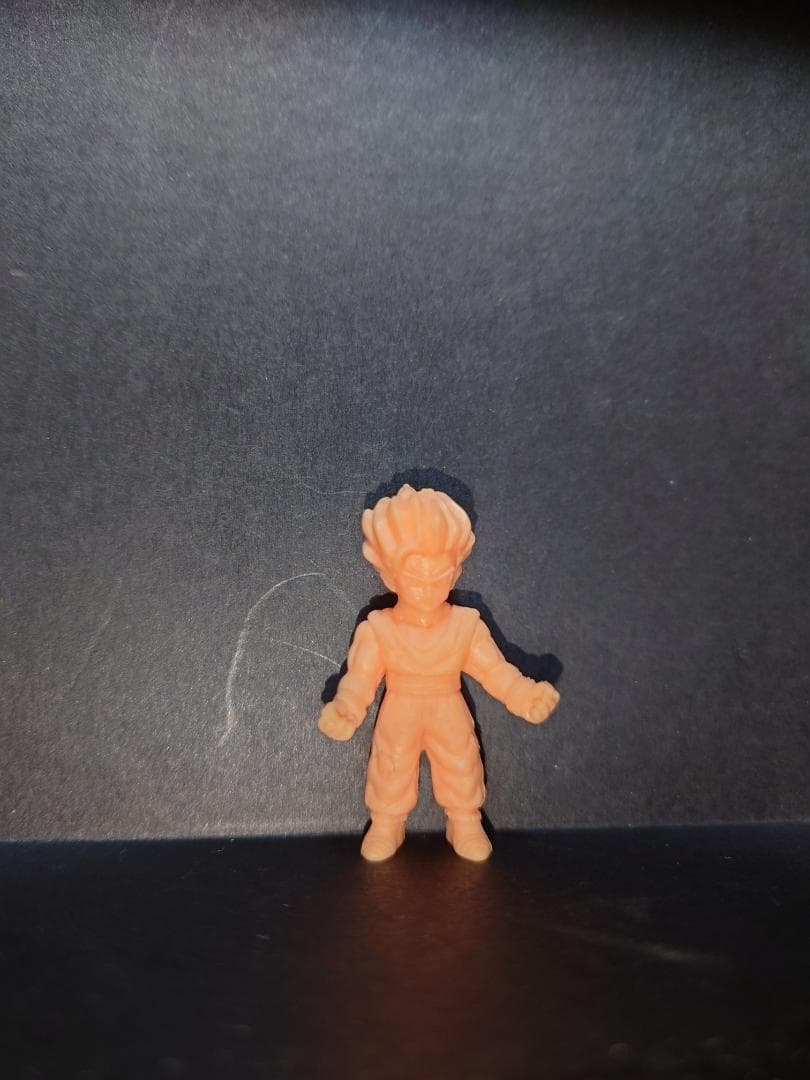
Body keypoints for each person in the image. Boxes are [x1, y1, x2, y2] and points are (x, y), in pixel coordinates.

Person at [318, 484, 560, 861]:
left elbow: (495, 670)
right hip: (400, 708)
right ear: (390, 576)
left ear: (456, 572)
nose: (428, 589)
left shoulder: (465, 626)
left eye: (440, 577)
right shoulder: (380, 628)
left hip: (448, 705)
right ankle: (386, 823)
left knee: (461, 761)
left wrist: (524, 695)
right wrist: (347, 708)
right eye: (416, 578)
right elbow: (360, 679)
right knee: (391, 763)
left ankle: (464, 821)